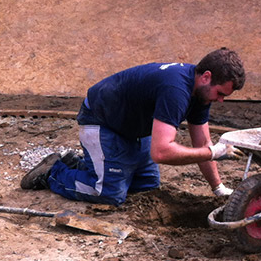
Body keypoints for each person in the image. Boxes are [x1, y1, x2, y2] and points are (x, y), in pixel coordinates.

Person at [20, 47, 245, 206]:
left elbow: (203, 143)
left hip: (133, 129)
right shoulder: (176, 90)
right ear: (206, 76)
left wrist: (218, 188)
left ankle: (82, 164)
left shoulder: (200, 94)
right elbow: (161, 152)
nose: (220, 100)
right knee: (107, 193)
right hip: (102, 122)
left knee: (146, 186)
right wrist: (213, 152)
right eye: (220, 93)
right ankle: (53, 172)